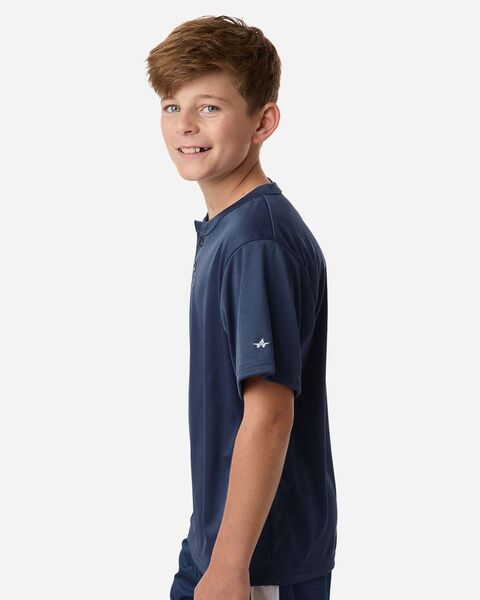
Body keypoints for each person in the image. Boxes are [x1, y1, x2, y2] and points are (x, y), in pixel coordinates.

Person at [146, 15, 337, 600]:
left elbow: (270, 414)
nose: (185, 125)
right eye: (172, 106)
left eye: (209, 107)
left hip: (257, 562)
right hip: (217, 547)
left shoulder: (257, 242)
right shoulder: (231, 230)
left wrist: (230, 568)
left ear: (263, 122)